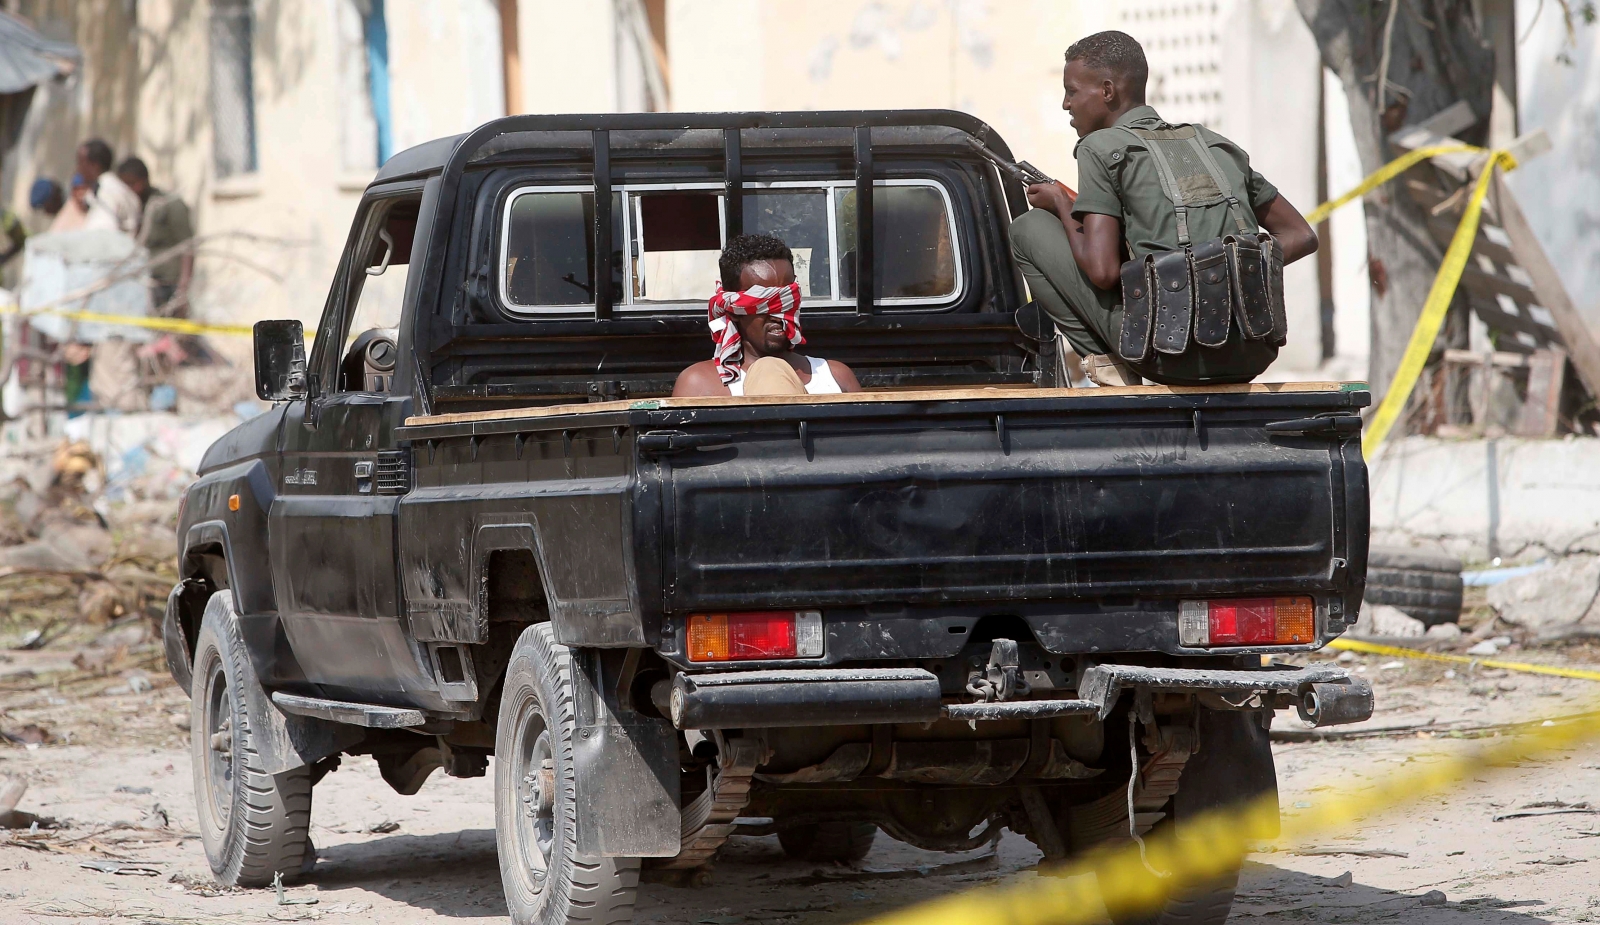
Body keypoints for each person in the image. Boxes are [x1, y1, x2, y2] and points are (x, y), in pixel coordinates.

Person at [1010, 31, 1317, 386]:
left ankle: (1109, 367)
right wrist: (1231, 266)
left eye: (1072, 91)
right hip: (1252, 351)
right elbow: (1301, 235)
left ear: (1107, 91)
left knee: (1027, 229)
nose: (1066, 104)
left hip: (1169, 356)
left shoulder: (1100, 148)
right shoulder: (1215, 146)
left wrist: (1063, 205)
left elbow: (1104, 273)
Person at [672, 233, 862, 398]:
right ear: (733, 309)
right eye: (765, 303)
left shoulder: (836, 378)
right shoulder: (700, 385)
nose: (778, 315)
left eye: (786, 299)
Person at [117, 156, 195, 316]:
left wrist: (182, 290)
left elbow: (188, 247)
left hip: (168, 282)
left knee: (176, 334)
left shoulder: (168, 204)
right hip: (144, 283)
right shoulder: (132, 209)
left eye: (132, 184)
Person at [76, 138, 141, 234]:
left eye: (81, 163)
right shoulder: (114, 187)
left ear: (95, 165)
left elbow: (100, 234)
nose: (78, 169)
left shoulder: (106, 191)